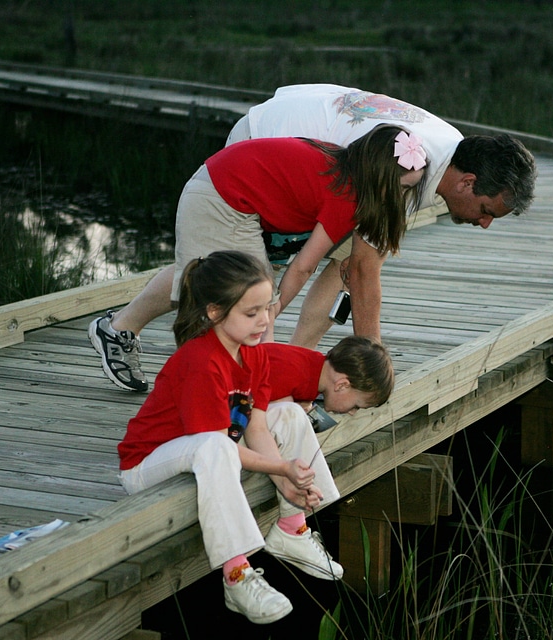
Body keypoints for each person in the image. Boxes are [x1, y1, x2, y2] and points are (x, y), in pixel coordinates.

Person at [90, 123, 426, 392]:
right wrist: (274, 306)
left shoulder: (344, 167)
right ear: (378, 176)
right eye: (400, 188)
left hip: (229, 191)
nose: (403, 197)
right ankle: (249, 396)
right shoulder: (346, 197)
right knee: (251, 304)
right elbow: (305, 265)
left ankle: (120, 329)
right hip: (222, 198)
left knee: (212, 282)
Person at [117, 250, 344, 626]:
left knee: (288, 413)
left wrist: (286, 482)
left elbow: (255, 427)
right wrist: (281, 468)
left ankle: (293, 526)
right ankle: (236, 573)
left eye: (267, 309)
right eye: (251, 313)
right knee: (216, 445)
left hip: (208, 450)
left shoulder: (253, 354)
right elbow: (225, 445)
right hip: (146, 465)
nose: (265, 321)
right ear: (214, 312)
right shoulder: (202, 361)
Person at [226, 83, 538, 349]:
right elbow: (365, 270)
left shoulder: (447, 149)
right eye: (486, 211)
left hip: (309, 151)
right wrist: (373, 360)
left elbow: (355, 263)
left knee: (345, 258)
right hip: (259, 143)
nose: (484, 224)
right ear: (467, 182)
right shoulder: (407, 170)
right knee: (248, 277)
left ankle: (298, 358)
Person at [262, 335, 394, 415]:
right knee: (290, 414)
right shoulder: (292, 374)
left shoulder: (311, 367)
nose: (352, 413)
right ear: (342, 385)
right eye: (356, 406)